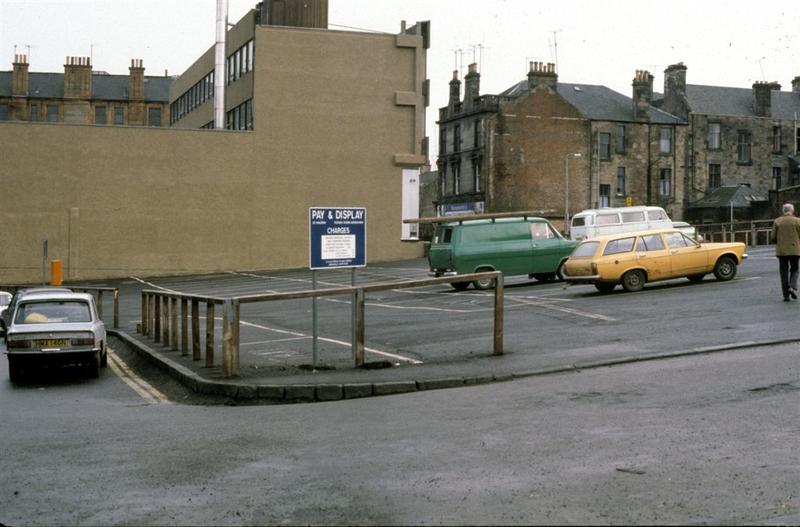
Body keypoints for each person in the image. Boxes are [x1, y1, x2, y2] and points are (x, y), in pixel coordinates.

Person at [772, 203, 800, 301]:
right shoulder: (797, 221)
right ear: (792, 211)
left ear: (783, 211)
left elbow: (773, 237)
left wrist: (778, 242)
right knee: (795, 269)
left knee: (783, 272)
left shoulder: (777, 221)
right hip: (795, 250)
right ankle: (792, 286)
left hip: (782, 251)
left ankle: (786, 295)